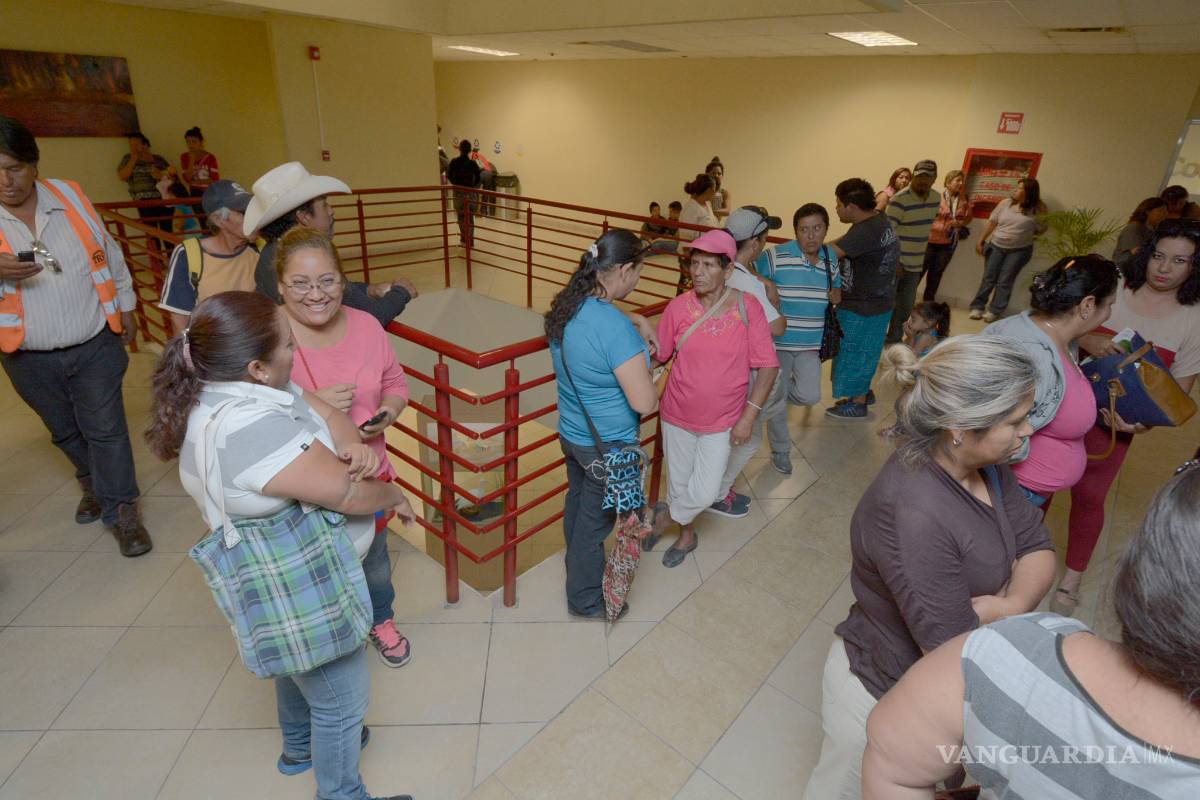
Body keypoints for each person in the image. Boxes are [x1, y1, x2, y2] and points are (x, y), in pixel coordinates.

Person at [144, 290, 415, 800]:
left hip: (281, 582)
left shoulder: (233, 386)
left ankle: (297, 747)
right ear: (256, 366)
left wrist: (349, 441)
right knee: (343, 697)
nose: (298, 352)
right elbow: (348, 494)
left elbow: (317, 410)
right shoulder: (252, 429)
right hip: (303, 582)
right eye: (288, 344)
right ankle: (341, 793)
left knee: (297, 663)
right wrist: (394, 492)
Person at [801, 336, 1056, 800]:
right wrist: (1005, 609)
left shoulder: (987, 465)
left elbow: (1037, 545)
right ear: (960, 426)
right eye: (1016, 421)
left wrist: (1009, 604)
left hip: (939, 685)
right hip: (884, 690)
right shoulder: (913, 510)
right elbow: (949, 641)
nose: (1028, 432)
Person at [863, 466, 1200, 799]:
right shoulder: (914, 503)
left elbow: (893, 768)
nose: (1026, 429)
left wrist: (1011, 607)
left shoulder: (1015, 649)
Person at [0, 115, 152, 557]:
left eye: (14, 168)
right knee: (65, 431)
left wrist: (126, 304)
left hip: (93, 342)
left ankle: (123, 512)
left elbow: (109, 250)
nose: (5, 181)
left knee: (106, 430)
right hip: (27, 355)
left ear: (34, 166)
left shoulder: (68, 196)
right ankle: (93, 485)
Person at [275, 226, 414, 666]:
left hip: (367, 474)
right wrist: (316, 408)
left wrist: (386, 414)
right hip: (301, 487)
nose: (316, 294)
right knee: (312, 571)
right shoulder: (266, 334)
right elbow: (249, 412)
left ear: (343, 280)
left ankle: (381, 619)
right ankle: (330, 638)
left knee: (374, 558)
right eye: (300, 283)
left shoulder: (368, 326)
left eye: (328, 281)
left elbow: (395, 383)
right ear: (280, 286)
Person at [1058, 219, 1200, 614]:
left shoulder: (1194, 318)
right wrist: (1089, 338)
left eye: (1179, 260)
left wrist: (1140, 422)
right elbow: (1057, 327)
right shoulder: (1114, 283)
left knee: (1089, 496)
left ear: (1194, 267)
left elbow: (1176, 395)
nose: (1164, 268)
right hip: (1061, 401)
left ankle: (1071, 580)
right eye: (1158, 255)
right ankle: (1013, 561)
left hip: (1116, 422)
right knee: (1037, 484)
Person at [646, 230, 779, 567]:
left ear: (728, 269)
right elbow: (660, 356)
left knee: (705, 491)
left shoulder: (748, 308)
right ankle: (686, 535)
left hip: (723, 420)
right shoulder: (677, 308)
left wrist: (748, 417)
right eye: (694, 263)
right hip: (676, 413)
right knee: (679, 483)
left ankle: (665, 518)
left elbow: (768, 366)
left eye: (708, 265)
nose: (698, 271)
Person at [545, 229, 658, 618]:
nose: (638, 280)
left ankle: (574, 570)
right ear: (624, 270)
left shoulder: (568, 305)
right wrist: (654, 369)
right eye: (638, 272)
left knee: (576, 506)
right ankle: (585, 599)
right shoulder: (613, 329)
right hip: (608, 447)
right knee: (595, 528)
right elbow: (644, 401)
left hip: (574, 435)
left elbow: (594, 329)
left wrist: (635, 320)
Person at [985, 256, 1118, 518]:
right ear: (1088, 305)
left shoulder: (1058, 337)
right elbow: (992, 432)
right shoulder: (1036, 357)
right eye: (1110, 305)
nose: (1109, 313)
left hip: (1019, 493)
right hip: (1008, 493)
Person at [244, 162, 416, 327]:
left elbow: (341, 290)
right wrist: (401, 292)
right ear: (303, 217)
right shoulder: (303, 260)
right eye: (324, 204)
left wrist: (368, 289)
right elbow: (374, 315)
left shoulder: (272, 253)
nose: (331, 211)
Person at [709, 205, 786, 516]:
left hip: (721, 370)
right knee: (749, 438)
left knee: (724, 434)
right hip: (748, 373)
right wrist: (772, 294)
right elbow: (777, 327)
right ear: (755, 243)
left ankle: (712, 488)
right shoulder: (749, 283)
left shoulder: (720, 272)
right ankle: (716, 493)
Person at [755, 203, 842, 475]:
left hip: (811, 344)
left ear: (826, 229)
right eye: (804, 230)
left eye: (817, 228)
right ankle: (781, 451)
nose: (811, 235)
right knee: (777, 396)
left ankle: (770, 399)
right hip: (777, 344)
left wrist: (837, 295)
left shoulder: (830, 258)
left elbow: (835, 287)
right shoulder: (775, 256)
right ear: (796, 232)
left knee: (809, 395)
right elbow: (747, 276)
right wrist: (767, 284)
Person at [825, 178, 900, 420]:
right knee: (865, 351)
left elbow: (832, 254)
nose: (836, 208)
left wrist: (806, 250)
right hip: (875, 301)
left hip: (864, 306)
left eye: (838, 204)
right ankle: (863, 393)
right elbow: (844, 244)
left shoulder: (866, 230)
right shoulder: (875, 221)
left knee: (855, 352)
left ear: (852, 207)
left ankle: (857, 403)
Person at [160, 180, 260, 333]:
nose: (254, 217)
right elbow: (179, 318)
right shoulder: (189, 255)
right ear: (219, 220)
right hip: (211, 348)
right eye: (243, 213)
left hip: (251, 341)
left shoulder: (257, 250)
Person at [969, 177, 1048, 322]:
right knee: (988, 278)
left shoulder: (1038, 209)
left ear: (1028, 192)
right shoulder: (1005, 203)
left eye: (1019, 188)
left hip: (1019, 251)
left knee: (1005, 281)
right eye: (1016, 187)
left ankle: (994, 311)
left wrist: (1030, 233)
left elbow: (1042, 229)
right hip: (996, 246)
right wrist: (980, 240)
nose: (1016, 190)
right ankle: (977, 307)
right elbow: (992, 222)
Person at [885, 159, 941, 344]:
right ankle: (877, 337)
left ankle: (892, 340)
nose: (922, 181)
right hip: (896, 263)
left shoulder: (935, 198)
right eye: (919, 177)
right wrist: (895, 261)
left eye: (927, 177)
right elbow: (887, 234)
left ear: (934, 179)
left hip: (916, 264)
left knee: (906, 306)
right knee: (887, 304)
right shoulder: (899, 199)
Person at [921, 168, 972, 302]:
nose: (961, 183)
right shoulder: (936, 197)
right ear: (948, 182)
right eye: (958, 180)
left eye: (962, 181)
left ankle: (928, 302)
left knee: (936, 274)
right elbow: (926, 216)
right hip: (930, 241)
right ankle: (905, 298)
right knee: (919, 271)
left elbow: (968, 217)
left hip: (948, 243)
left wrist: (960, 223)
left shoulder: (964, 200)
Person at [116, 131, 171, 232]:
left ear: (145, 145)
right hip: (143, 201)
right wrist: (133, 160)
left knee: (167, 230)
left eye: (136, 144)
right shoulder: (127, 158)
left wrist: (160, 175)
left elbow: (172, 176)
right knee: (151, 232)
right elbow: (122, 177)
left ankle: (170, 248)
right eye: (131, 145)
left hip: (163, 199)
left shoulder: (158, 159)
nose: (133, 148)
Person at [677, 174, 720, 293]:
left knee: (702, 287)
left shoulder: (707, 205)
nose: (715, 193)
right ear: (708, 190)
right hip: (691, 256)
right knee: (688, 289)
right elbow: (685, 237)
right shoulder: (691, 208)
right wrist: (690, 261)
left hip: (705, 253)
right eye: (714, 190)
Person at [1112, 196, 1168, 272]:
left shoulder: (1155, 231)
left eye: (1165, 211)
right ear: (1148, 211)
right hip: (1124, 272)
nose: (1164, 214)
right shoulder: (1134, 228)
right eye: (1160, 211)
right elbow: (1134, 254)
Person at [446, 139, 481, 246]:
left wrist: (455, 185)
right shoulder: (472, 163)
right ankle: (470, 240)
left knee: (461, 216)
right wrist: (473, 188)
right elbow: (478, 179)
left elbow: (449, 175)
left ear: (460, 149)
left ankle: (463, 238)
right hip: (470, 193)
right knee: (470, 218)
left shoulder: (454, 162)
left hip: (458, 193)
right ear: (470, 150)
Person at [180, 126, 219, 199]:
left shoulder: (210, 157)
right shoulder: (184, 157)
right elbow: (188, 179)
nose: (191, 145)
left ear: (201, 142)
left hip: (209, 192)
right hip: (195, 192)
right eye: (188, 141)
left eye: (194, 142)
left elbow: (214, 180)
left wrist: (197, 182)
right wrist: (191, 160)